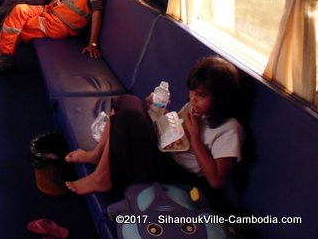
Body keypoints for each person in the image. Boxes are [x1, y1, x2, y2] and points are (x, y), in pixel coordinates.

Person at [64, 56, 244, 196]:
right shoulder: (194, 108)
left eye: (201, 95)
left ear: (220, 98)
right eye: (192, 91)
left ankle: (102, 177)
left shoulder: (229, 129)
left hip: (174, 177)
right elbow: (176, 132)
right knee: (127, 101)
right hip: (162, 152)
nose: (193, 99)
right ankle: (96, 155)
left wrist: (195, 137)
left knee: (127, 116)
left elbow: (216, 181)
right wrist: (160, 111)